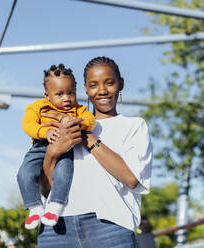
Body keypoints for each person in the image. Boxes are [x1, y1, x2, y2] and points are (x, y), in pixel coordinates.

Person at [37, 56, 153, 247]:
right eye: (93, 85)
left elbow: (132, 179)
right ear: (85, 88)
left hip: (110, 227)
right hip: (57, 228)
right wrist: (52, 153)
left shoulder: (134, 126)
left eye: (109, 83)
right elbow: (45, 190)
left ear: (121, 83)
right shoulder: (60, 126)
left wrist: (87, 136)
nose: (102, 91)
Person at [17, 64, 96, 229]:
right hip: (39, 146)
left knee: (64, 172)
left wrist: (78, 123)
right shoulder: (38, 106)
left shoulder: (78, 110)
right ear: (47, 95)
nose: (66, 98)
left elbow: (91, 121)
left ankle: (56, 205)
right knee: (24, 173)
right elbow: (27, 124)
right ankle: (34, 207)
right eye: (59, 94)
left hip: (66, 147)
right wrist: (43, 132)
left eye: (71, 93)